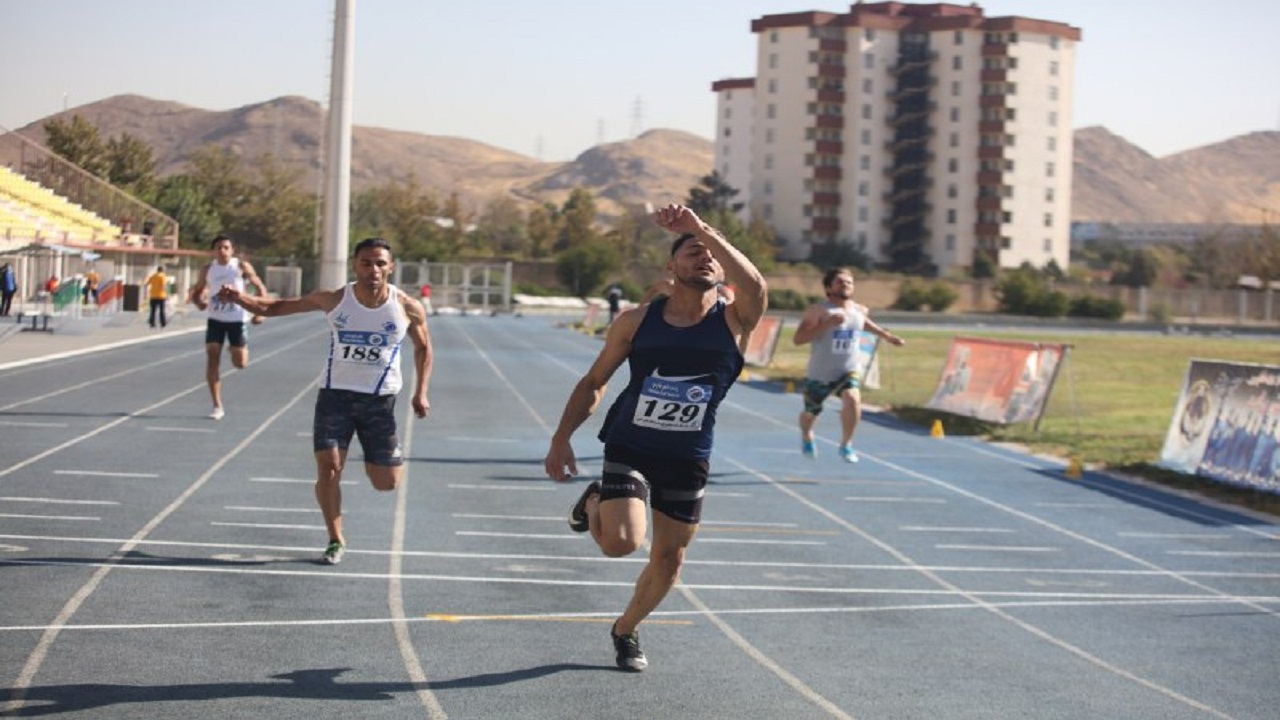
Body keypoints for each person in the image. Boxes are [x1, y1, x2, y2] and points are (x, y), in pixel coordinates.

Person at [543, 204, 766, 672]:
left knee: (669, 559)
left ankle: (625, 629)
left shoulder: (736, 320)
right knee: (621, 543)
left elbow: (757, 285)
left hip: (687, 457)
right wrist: (561, 437)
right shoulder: (636, 321)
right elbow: (594, 382)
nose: (703, 256)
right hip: (632, 446)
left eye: (710, 253)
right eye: (691, 251)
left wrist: (700, 227)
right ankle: (593, 503)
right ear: (671, 267)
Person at [217, 237, 433, 566]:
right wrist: (240, 298)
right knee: (329, 468)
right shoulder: (334, 300)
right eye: (366, 263)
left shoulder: (407, 307)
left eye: (379, 263)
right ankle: (335, 538)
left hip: (380, 401)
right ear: (354, 265)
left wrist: (421, 391)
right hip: (335, 396)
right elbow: (274, 307)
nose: (373, 269)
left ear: (390, 266)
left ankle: (372, 455)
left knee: (386, 483)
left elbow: (423, 347)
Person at [792, 267, 905, 463]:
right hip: (820, 374)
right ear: (828, 287)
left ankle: (846, 443)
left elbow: (865, 323)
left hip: (848, 369)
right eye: (840, 282)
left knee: (852, 398)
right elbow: (799, 339)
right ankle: (807, 435)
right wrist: (826, 325)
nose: (846, 285)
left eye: (849, 282)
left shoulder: (859, 310)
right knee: (810, 413)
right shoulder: (818, 310)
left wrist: (887, 336)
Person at [189, 235, 269, 420]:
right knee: (212, 357)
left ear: (232, 250)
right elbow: (197, 291)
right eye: (218, 248)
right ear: (213, 251)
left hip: (237, 319)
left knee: (240, 363)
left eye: (226, 247)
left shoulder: (241, 267)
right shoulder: (208, 270)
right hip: (215, 319)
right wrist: (199, 302)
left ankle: (236, 348)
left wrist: (260, 312)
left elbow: (260, 288)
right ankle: (217, 406)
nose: (222, 251)